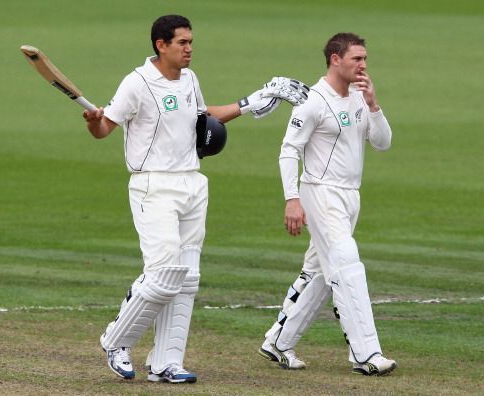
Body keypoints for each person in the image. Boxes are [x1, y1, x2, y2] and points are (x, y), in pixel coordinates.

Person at [83, 14, 309, 384]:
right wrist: (94, 120)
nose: (189, 49)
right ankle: (116, 341)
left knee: (186, 278)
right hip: (153, 186)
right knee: (163, 275)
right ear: (161, 44)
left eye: (191, 42)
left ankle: (166, 363)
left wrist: (252, 101)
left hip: (193, 183)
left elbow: (204, 118)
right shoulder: (137, 83)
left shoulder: (189, 79)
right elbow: (104, 128)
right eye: (182, 43)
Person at [258, 32, 397, 376]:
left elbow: (383, 143)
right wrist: (292, 199)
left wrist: (374, 104)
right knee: (347, 264)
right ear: (336, 59)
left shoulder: (359, 97)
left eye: (365, 59)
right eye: (357, 59)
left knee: (321, 272)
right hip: (319, 192)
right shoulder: (313, 101)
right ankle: (366, 354)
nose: (363, 65)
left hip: (350, 195)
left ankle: (278, 340)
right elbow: (289, 150)